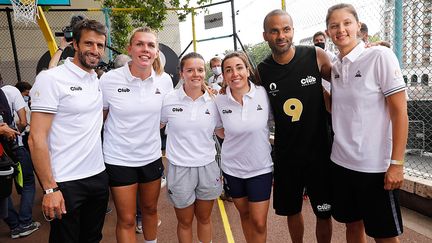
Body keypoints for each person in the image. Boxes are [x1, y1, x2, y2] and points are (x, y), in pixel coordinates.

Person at [325, 4, 408, 243]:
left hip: (375, 167)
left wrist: (397, 164)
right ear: (329, 32)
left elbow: (400, 112)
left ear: (358, 26)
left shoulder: (380, 56)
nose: (341, 29)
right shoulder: (336, 67)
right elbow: (337, 108)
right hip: (341, 163)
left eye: (346, 23)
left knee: (384, 236)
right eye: (334, 26)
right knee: (352, 226)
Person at [29, 19, 109, 243]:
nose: (95, 50)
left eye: (100, 45)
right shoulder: (51, 79)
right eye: (89, 43)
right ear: (75, 44)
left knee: (92, 238)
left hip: (97, 175)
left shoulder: (95, 78)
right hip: (65, 181)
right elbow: (36, 139)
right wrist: (49, 189)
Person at [257, 9, 333, 243]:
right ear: (265, 36)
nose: (281, 35)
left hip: (320, 152)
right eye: (275, 31)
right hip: (287, 154)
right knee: (292, 211)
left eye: (286, 29)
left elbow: (346, 79)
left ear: (293, 31)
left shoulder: (316, 55)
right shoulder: (262, 71)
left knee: (323, 212)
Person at [100, 26, 173, 243]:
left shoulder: (164, 81)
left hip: (150, 157)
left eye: (151, 45)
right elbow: (100, 119)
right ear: (130, 48)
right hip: (118, 160)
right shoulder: (109, 80)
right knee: (127, 218)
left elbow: (164, 119)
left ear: (157, 52)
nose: (145, 49)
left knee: (150, 210)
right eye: (139, 44)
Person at [161, 52, 222, 243]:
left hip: (207, 167)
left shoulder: (215, 101)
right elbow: (157, 125)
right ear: (181, 73)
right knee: (185, 222)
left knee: (204, 218)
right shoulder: (169, 99)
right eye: (190, 70)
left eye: (200, 69)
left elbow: (222, 132)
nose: (196, 74)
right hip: (180, 168)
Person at [215, 51, 273, 242]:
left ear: (248, 70)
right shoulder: (219, 100)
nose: (235, 74)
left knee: (259, 222)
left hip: (260, 168)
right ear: (223, 76)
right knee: (245, 215)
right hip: (233, 169)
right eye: (228, 70)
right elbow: (219, 130)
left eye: (239, 67)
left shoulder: (263, 94)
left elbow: (274, 121)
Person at [1, 82, 39, 239]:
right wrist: (16, 134)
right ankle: (24, 222)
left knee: (3, 189)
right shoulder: (10, 91)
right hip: (13, 148)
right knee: (28, 182)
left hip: (4, 152)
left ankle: (15, 224)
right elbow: (23, 121)